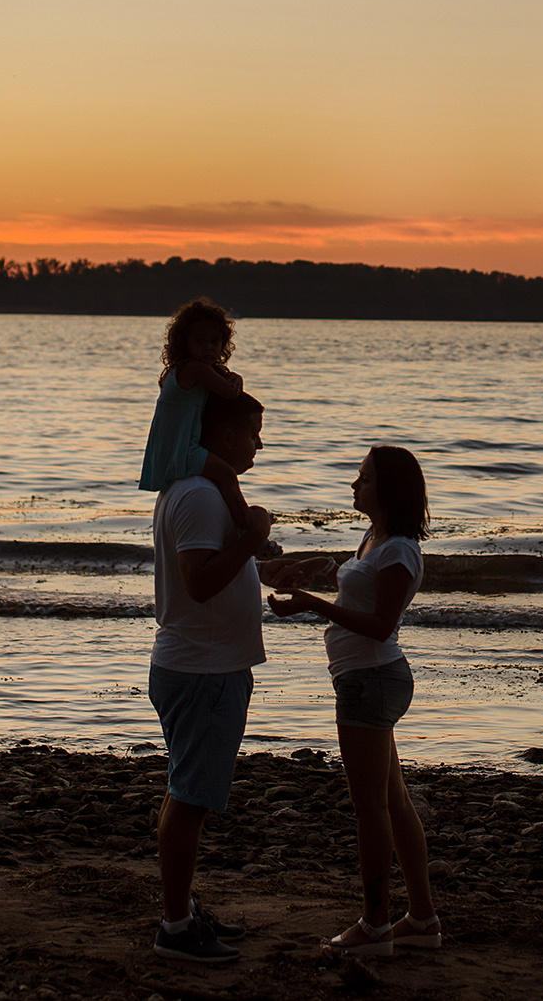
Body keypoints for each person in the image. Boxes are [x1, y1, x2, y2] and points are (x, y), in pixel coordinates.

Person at [148, 390, 323, 965]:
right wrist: (252, 537)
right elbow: (197, 582)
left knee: (186, 791)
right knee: (190, 798)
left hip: (202, 665)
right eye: (253, 433)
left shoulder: (201, 492)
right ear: (223, 436)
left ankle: (182, 907)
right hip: (203, 670)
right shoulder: (200, 494)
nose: (259, 443)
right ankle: (175, 927)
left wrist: (263, 566)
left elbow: (215, 568)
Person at [266, 445, 443, 958]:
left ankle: (375, 926)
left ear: (386, 489)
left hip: (372, 680)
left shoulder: (400, 551)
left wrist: (310, 605)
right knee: (393, 801)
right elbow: (358, 588)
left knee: (370, 810)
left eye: (362, 478)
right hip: (366, 679)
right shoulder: (374, 539)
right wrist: (319, 570)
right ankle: (424, 920)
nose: (353, 485)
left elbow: (381, 625)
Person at [140, 298, 253, 527]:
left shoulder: (184, 370)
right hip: (181, 449)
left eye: (214, 341)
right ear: (185, 342)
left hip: (177, 445)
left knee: (222, 476)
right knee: (227, 475)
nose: (208, 347)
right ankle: (247, 527)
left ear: (223, 343)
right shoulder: (195, 369)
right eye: (199, 341)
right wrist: (237, 378)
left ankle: (231, 521)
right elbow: (231, 393)